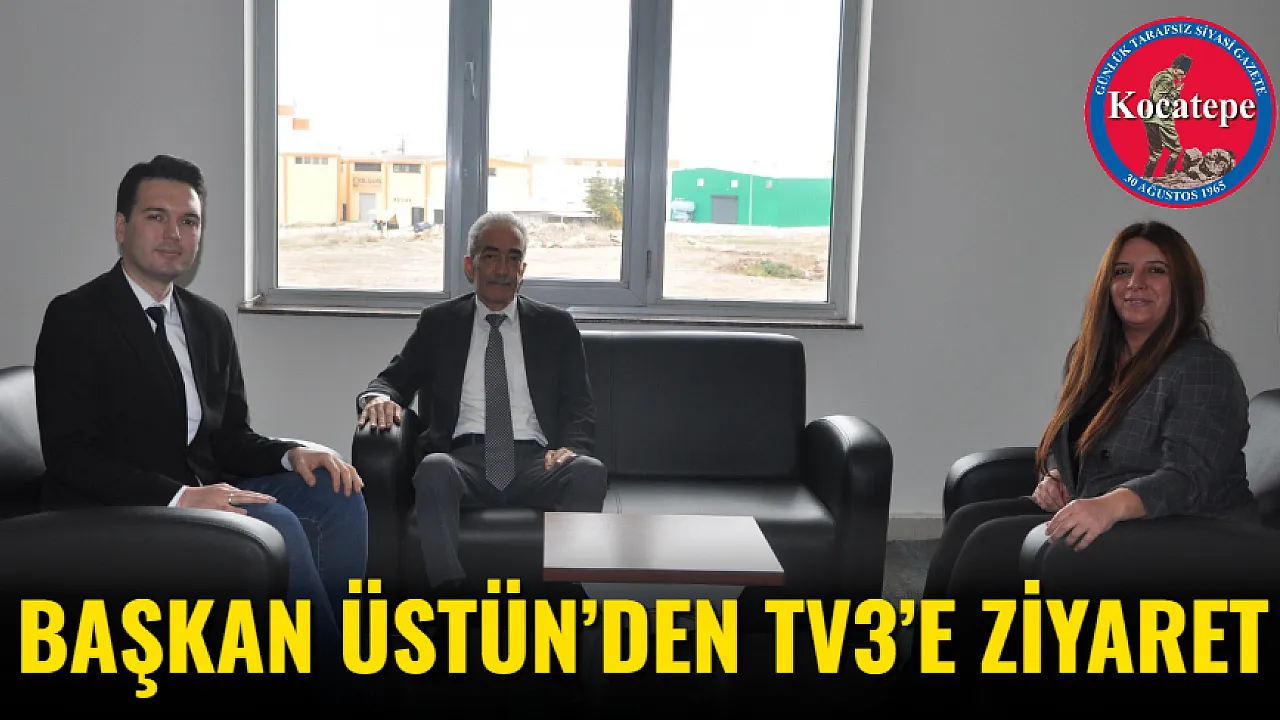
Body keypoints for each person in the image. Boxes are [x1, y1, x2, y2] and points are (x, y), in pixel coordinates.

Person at [33, 154, 368, 672]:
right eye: (156, 216)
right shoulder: (75, 317)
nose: (174, 234)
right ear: (121, 227)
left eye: (189, 221)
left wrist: (292, 453)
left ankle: (330, 644)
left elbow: (229, 439)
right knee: (274, 520)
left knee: (337, 491)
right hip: (120, 509)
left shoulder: (208, 321)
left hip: (202, 490)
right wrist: (181, 497)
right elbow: (71, 457)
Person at [357, 210, 608, 590]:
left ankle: (563, 591)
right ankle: (448, 593)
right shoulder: (439, 323)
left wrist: (571, 448)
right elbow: (393, 379)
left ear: (523, 270)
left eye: (512, 258)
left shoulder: (555, 326)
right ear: (469, 265)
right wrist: (378, 398)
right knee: (434, 468)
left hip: (534, 462)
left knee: (588, 470)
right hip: (463, 461)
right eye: (490, 256)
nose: (502, 269)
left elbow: (580, 404)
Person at [1142, 54, 1192, 180]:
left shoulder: (1160, 75)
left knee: (1155, 152)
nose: (1184, 75)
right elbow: (1157, 99)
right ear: (1176, 68)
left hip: (1150, 117)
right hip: (1162, 118)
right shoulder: (1167, 79)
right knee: (1176, 149)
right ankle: (1168, 176)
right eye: (1183, 71)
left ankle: (1146, 178)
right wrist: (1176, 91)